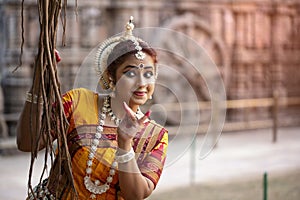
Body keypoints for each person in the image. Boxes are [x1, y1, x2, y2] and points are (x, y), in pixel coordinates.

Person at [17, 16, 168, 200]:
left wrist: (125, 144)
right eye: (130, 73)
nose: (142, 82)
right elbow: (27, 144)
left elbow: (136, 195)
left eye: (148, 74)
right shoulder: (77, 102)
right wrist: (38, 84)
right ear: (111, 77)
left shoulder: (155, 136)